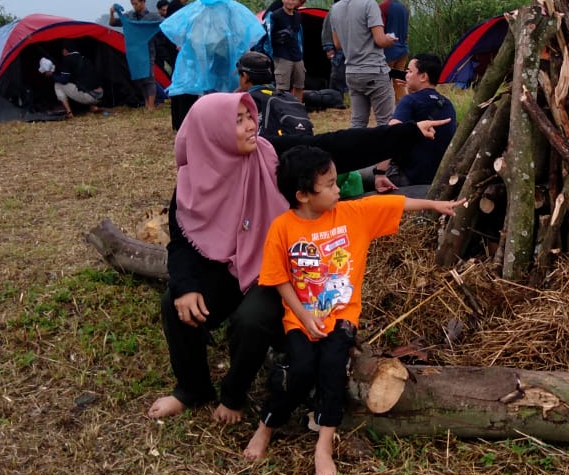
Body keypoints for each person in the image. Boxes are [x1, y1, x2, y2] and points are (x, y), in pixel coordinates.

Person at [145, 92, 454, 426]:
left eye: (249, 116)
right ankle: (192, 389)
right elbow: (181, 241)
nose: (251, 125)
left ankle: (234, 394)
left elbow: (335, 146)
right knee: (173, 302)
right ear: (212, 132)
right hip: (224, 267)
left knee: (252, 320)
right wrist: (186, 286)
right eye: (238, 121)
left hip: (278, 267)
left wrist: (406, 132)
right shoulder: (192, 181)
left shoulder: (269, 156)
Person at [242, 145, 464, 475]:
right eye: (329, 184)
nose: (338, 189)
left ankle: (324, 444)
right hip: (300, 319)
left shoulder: (351, 215)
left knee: (332, 369)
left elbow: (395, 203)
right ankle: (266, 426)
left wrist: (435, 204)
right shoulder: (282, 229)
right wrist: (302, 315)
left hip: (342, 317)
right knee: (298, 370)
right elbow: (279, 280)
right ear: (302, 195)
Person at [160, 0, 265, 131]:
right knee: (227, 93)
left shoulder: (199, 9)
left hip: (211, 61)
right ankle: (227, 123)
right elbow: (244, 36)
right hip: (226, 62)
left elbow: (190, 37)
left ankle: (215, 124)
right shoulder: (232, 9)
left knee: (212, 94)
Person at [371, 53, 456, 193]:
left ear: (423, 77)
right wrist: (412, 89)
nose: (406, 75)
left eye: (410, 71)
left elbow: (391, 135)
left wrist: (379, 173)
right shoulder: (447, 104)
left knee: (358, 173)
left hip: (408, 177)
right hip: (436, 176)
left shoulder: (409, 101)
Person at [329, 0, 396, 127]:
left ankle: (354, 152)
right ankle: (388, 153)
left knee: (358, 121)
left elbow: (337, 44)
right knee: (386, 122)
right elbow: (380, 40)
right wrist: (389, 39)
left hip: (351, 72)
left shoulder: (335, 8)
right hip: (374, 70)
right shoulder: (369, 5)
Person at [108, 0, 163, 111]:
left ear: (143, 2)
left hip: (148, 50)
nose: (134, 6)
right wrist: (112, 12)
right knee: (140, 77)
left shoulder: (153, 17)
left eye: (136, 3)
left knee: (149, 77)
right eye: (132, 4)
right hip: (134, 52)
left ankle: (151, 105)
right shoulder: (128, 16)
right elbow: (112, 23)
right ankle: (147, 102)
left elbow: (164, 25)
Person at [262, 0, 306, 100]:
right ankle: (280, 111)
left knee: (299, 85)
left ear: (296, 1)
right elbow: (266, 35)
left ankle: (297, 110)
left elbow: (298, 36)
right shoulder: (274, 15)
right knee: (281, 88)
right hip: (282, 56)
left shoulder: (297, 16)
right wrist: (268, 54)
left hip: (297, 55)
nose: (290, 1)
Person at [40, 52, 102, 117]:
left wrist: (52, 74)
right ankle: (93, 106)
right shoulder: (84, 60)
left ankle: (69, 113)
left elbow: (64, 80)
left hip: (90, 96)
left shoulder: (68, 61)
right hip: (100, 95)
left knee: (58, 85)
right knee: (82, 84)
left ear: (65, 51)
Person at [378, 0, 410, 101]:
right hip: (403, 49)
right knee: (399, 82)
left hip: (388, 51)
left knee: (384, 83)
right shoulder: (404, 7)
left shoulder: (383, 7)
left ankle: (385, 110)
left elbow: (380, 29)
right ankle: (404, 106)